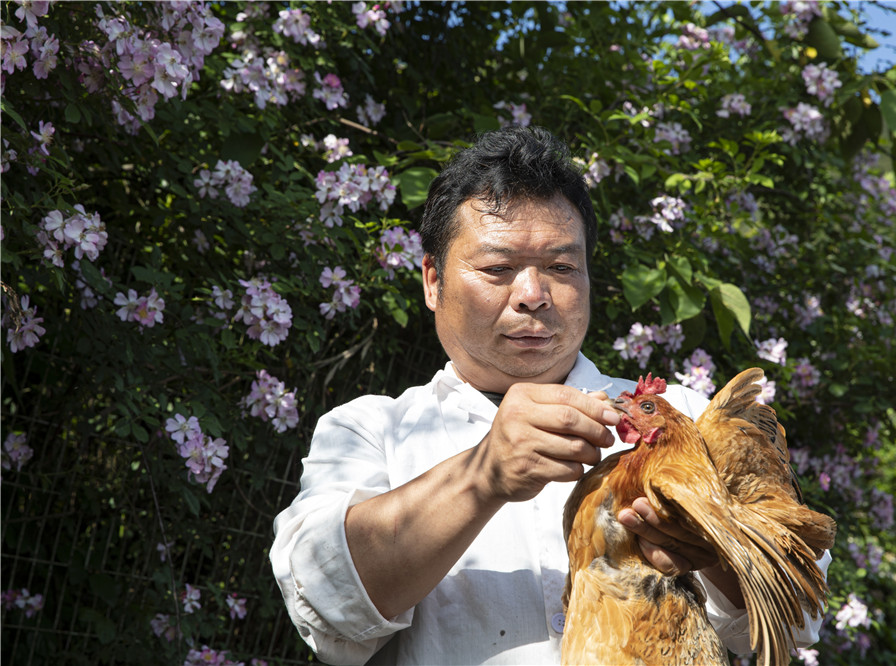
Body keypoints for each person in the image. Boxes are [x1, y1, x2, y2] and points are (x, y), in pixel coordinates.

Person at [270, 126, 831, 665]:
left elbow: (802, 615)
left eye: (561, 266)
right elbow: (324, 610)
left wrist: (718, 551)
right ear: (432, 280)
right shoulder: (372, 431)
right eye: (498, 267)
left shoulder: (683, 418)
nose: (533, 294)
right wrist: (481, 474)